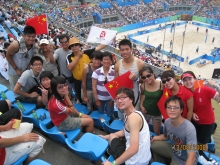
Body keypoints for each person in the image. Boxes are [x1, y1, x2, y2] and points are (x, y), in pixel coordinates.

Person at [100, 88, 151, 165]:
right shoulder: (133, 113)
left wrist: (113, 163)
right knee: (111, 136)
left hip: (134, 162)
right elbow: (126, 131)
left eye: (123, 97)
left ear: (131, 100)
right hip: (144, 158)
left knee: (112, 136)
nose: (119, 101)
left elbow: (134, 149)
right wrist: (106, 136)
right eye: (117, 98)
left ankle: (113, 154)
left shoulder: (133, 117)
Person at [151, 96, 198, 165]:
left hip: (183, 159)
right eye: (169, 107)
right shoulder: (167, 122)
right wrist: (153, 138)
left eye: (176, 107)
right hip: (173, 150)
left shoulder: (189, 129)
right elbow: (166, 136)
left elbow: (192, 157)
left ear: (181, 110)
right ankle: (162, 161)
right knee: (152, 144)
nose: (172, 110)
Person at [181, 71, 220, 155]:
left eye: (190, 79)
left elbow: (218, 97)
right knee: (193, 140)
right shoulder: (185, 91)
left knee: (203, 143)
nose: (188, 82)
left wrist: (215, 85)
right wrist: (193, 113)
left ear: (194, 79)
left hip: (207, 122)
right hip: (194, 121)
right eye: (185, 80)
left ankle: (203, 157)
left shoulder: (204, 89)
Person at [66, 37, 107, 103]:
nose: (74, 47)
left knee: (95, 96)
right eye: (72, 46)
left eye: (76, 45)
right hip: (78, 81)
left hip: (90, 81)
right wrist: (78, 57)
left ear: (79, 45)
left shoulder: (87, 52)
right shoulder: (69, 56)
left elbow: (99, 47)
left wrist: (110, 38)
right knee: (80, 96)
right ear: (70, 48)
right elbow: (70, 67)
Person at [115, 39, 145, 111]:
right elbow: (116, 84)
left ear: (131, 49)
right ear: (120, 51)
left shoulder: (140, 64)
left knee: (134, 121)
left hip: (134, 99)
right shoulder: (117, 65)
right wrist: (116, 100)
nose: (125, 52)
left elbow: (145, 82)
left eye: (127, 49)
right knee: (122, 120)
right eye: (122, 50)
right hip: (121, 101)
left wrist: (136, 79)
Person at [6, 26, 38, 90]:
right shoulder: (16, 45)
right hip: (14, 72)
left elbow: (32, 57)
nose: (31, 39)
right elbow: (8, 56)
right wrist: (16, 69)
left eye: (33, 36)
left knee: (24, 89)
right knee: (15, 91)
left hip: (24, 71)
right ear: (24, 36)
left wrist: (28, 68)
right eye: (29, 36)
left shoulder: (34, 46)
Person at [140, 66, 163, 135]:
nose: (147, 78)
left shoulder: (161, 85)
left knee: (156, 133)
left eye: (148, 75)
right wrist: (141, 106)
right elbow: (142, 95)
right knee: (143, 130)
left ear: (153, 74)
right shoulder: (143, 85)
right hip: (145, 111)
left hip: (157, 112)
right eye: (144, 77)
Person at [92, 52, 115, 120]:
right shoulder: (96, 72)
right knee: (100, 113)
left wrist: (112, 100)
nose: (106, 61)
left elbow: (115, 87)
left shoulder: (114, 73)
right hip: (99, 98)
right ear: (101, 61)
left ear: (111, 61)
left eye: (108, 59)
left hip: (109, 99)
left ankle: (109, 125)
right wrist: (96, 99)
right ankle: (102, 124)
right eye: (104, 59)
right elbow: (94, 87)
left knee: (110, 113)